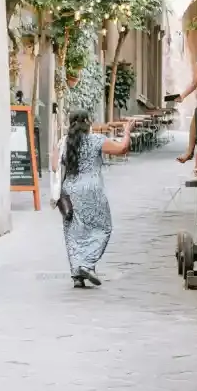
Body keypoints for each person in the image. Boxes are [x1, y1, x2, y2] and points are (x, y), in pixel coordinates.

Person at [59, 111, 132, 288]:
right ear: (89, 123)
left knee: (73, 231)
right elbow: (122, 149)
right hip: (92, 189)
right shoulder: (97, 140)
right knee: (103, 227)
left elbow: (55, 165)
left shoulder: (63, 142)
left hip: (70, 191)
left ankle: (77, 274)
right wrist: (127, 131)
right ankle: (87, 264)